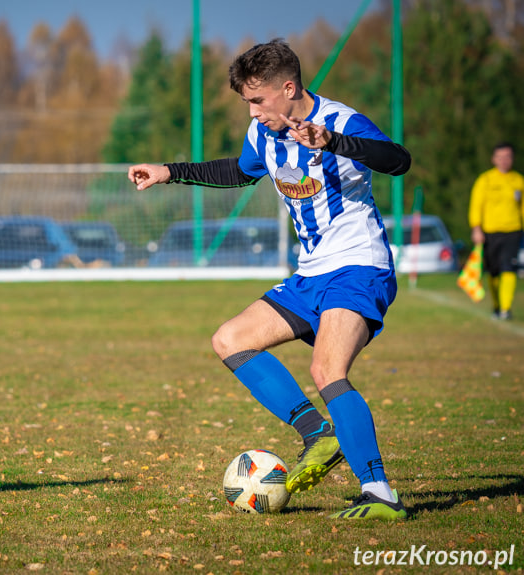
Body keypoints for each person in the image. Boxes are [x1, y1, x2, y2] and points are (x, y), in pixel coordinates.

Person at [128, 39, 410, 520]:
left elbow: (397, 160)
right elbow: (239, 172)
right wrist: (168, 171)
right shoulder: (262, 135)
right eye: (246, 103)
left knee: (327, 371)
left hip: (360, 267)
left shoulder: (341, 121)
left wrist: (333, 143)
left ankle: (380, 493)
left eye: (258, 100)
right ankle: (318, 436)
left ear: (288, 87)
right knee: (230, 339)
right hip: (311, 274)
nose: (253, 111)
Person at [468, 142, 524, 321]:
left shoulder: (518, 181)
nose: (504, 160)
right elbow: (476, 206)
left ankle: (506, 308)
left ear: (512, 158)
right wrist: (476, 228)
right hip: (490, 232)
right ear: (494, 159)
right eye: (500, 157)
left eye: (508, 156)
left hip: (513, 230)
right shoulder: (485, 180)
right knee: (494, 270)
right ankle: (497, 305)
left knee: (509, 267)